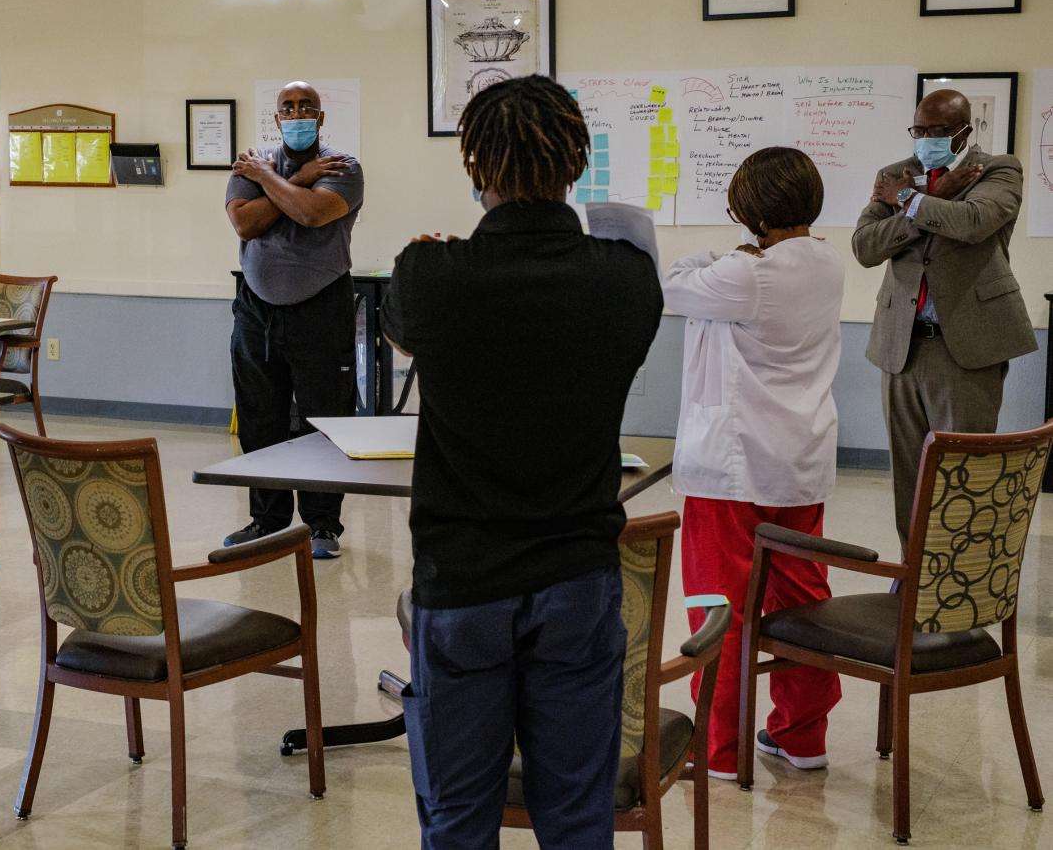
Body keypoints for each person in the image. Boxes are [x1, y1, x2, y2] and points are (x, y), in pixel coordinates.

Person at [381, 75, 662, 848]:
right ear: (576, 163)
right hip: (577, 573)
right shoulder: (625, 279)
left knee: (458, 818)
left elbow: (401, 328)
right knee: (576, 816)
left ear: (476, 170)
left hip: (464, 578)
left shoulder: (430, 276)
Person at [663, 147, 844, 781]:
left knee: (723, 608)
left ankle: (718, 747)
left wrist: (725, 255)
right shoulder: (827, 262)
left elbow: (673, 283)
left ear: (748, 210)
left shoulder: (744, 276)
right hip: (799, 461)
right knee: (801, 599)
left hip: (732, 468)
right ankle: (802, 736)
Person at [853, 89, 1033, 546]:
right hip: (901, 344)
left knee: (963, 480)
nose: (927, 140)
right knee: (909, 480)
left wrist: (910, 202)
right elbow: (866, 247)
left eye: (939, 132)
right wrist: (929, 196)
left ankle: (959, 590)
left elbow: (974, 221)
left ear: (965, 132)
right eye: (920, 131)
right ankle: (914, 583)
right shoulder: (897, 174)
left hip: (966, 347)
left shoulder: (998, 169)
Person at [224, 81, 364, 559]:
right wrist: (291, 177)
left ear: (321, 118)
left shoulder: (343, 167)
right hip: (257, 310)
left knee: (324, 422)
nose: (298, 113)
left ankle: (322, 526)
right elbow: (246, 223)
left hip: (321, 308)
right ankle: (266, 521)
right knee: (260, 420)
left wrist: (280, 182)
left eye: (307, 107)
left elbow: (309, 215)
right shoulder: (251, 165)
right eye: (289, 107)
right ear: (277, 117)